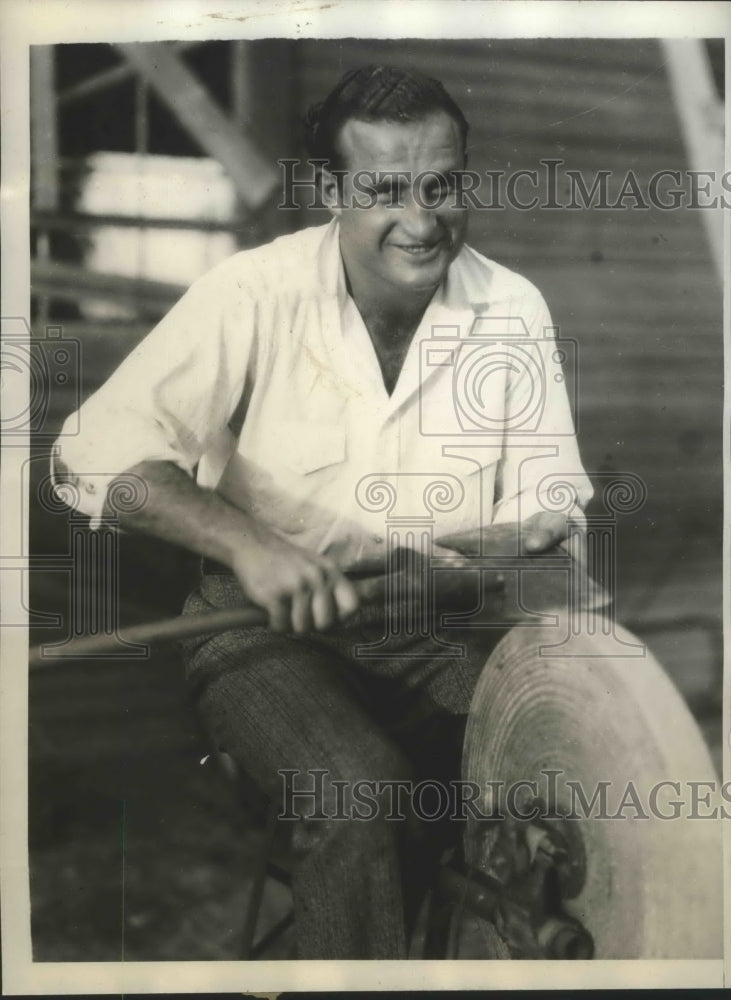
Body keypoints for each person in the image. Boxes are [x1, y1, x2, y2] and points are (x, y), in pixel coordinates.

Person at [53, 64, 592, 959]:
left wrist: (516, 536)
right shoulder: (252, 293)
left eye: (443, 186)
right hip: (258, 629)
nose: (421, 223)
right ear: (327, 190)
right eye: (383, 191)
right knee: (361, 796)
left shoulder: (511, 308)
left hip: (435, 626)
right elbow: (90, 451)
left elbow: (549, 490)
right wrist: (249, 545)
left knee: (558, 780)